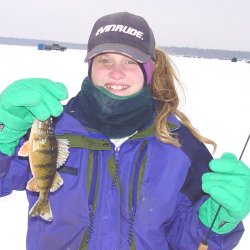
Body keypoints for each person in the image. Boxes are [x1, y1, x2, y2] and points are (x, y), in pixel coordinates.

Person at [0, 12, 249, 250]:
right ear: (90, 66)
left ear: (148, 70)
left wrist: (220, 219)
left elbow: (189, 242)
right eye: (104, 60)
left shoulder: (180, 145)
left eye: (131, 61)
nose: (116, 72)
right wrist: (5, 129)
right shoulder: (51, 128)